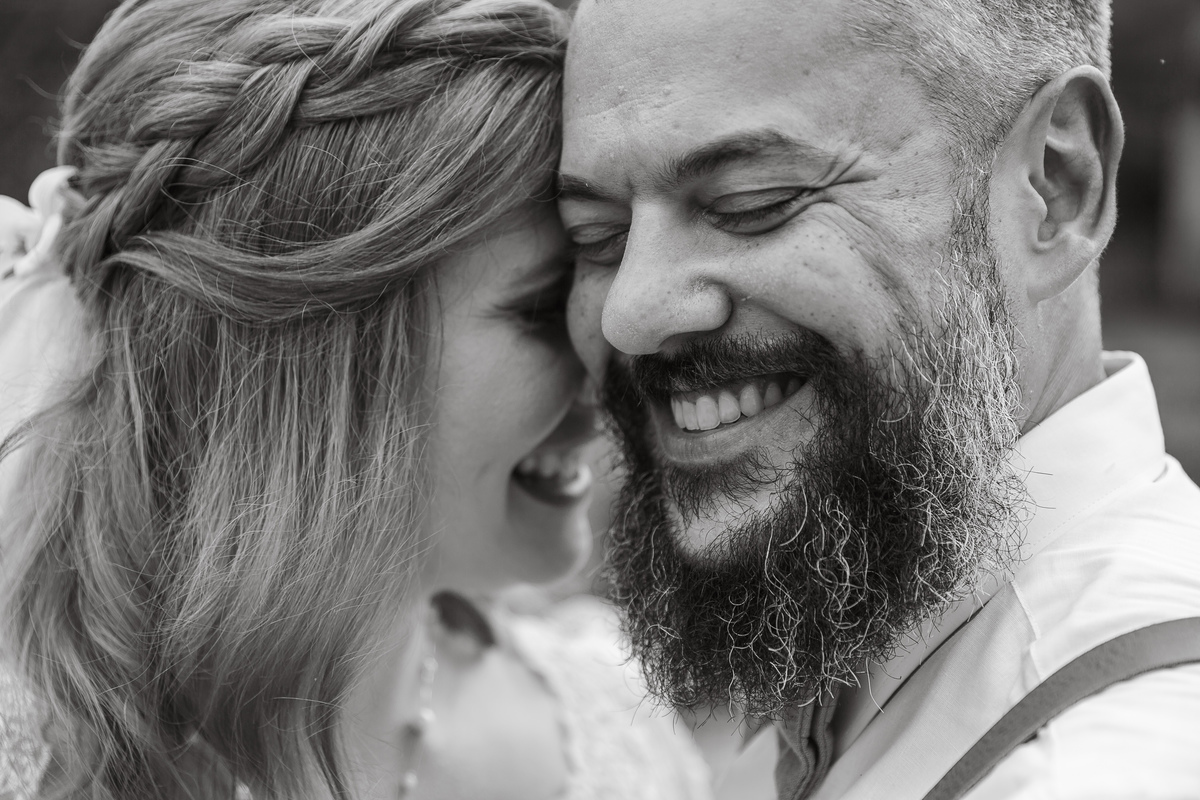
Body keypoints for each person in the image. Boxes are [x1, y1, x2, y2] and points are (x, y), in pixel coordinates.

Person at [0, 1, 716, 798]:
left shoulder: (613, 723)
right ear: (310, 365)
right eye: (546, 310)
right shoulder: (30, 756)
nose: (611, 369)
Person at [558, 0, 1200, 798]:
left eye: (753, 201)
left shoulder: (1109, 759)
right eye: (594, 236)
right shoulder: (847, 644)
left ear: (1056, 187)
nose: (632, 314)